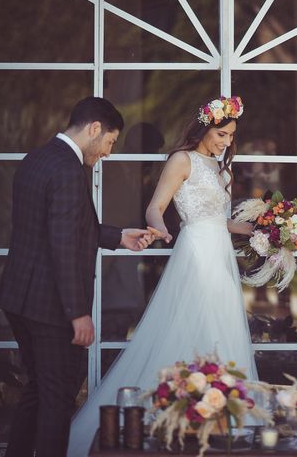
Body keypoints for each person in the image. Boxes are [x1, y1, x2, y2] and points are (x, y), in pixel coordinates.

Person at [67, 96, 257, 456]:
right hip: (196, 252)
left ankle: (218, 424)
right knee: (192, 328)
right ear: (204, 127)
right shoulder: (181, 160)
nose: (226, 142)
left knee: (222, 329)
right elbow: (155, 207)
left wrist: (254, 230)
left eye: (231, 136)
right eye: (221, 134)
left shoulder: (222, 168)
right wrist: (161, 230)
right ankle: (173, 424)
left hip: (220, 255)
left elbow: (220, 218)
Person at [0, 96, 163, 457]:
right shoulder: (70, 170)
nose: (109, 152)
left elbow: (60, 227)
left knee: (40, 389)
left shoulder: (37, 159)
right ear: (94, 129)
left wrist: (117, 236)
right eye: (110, 142)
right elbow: (62, 244)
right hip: (49, 306)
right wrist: (78, 312)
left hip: (19, 299)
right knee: (57, 397)